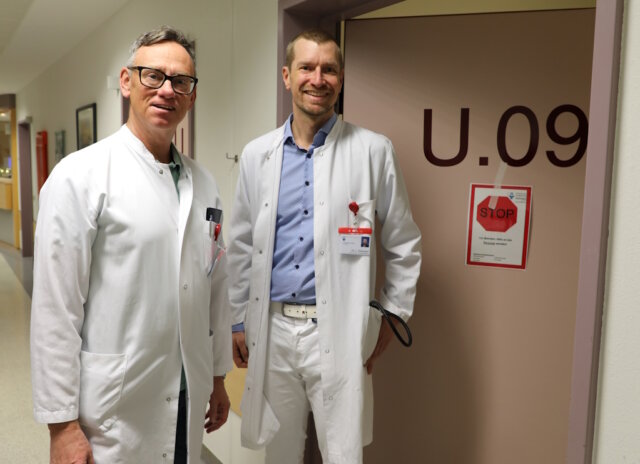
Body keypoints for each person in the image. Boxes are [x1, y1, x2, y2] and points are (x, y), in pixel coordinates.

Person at [30, 26, 232, 464]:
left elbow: (214, 289)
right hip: (115, 410)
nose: (167, 90)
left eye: (181, 81)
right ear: (126, 81)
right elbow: (55, 310)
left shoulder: (205, 184)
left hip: (188, 395)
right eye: (152, 76)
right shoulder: (79, 177)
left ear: (192, 96)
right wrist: (62, 426)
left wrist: (217, 377)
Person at [226, 29, 422, 464]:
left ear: (341, 77)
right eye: (307, 68)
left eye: (329, 69)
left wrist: (390, 315)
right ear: (286, 75)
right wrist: (237, 320)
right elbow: (240, 245)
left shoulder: (373, 151)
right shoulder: (258, 155)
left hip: (339, 326)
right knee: (279, 451)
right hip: (272, 326)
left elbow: (404, 243)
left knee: (343, 452)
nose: (318, 78)